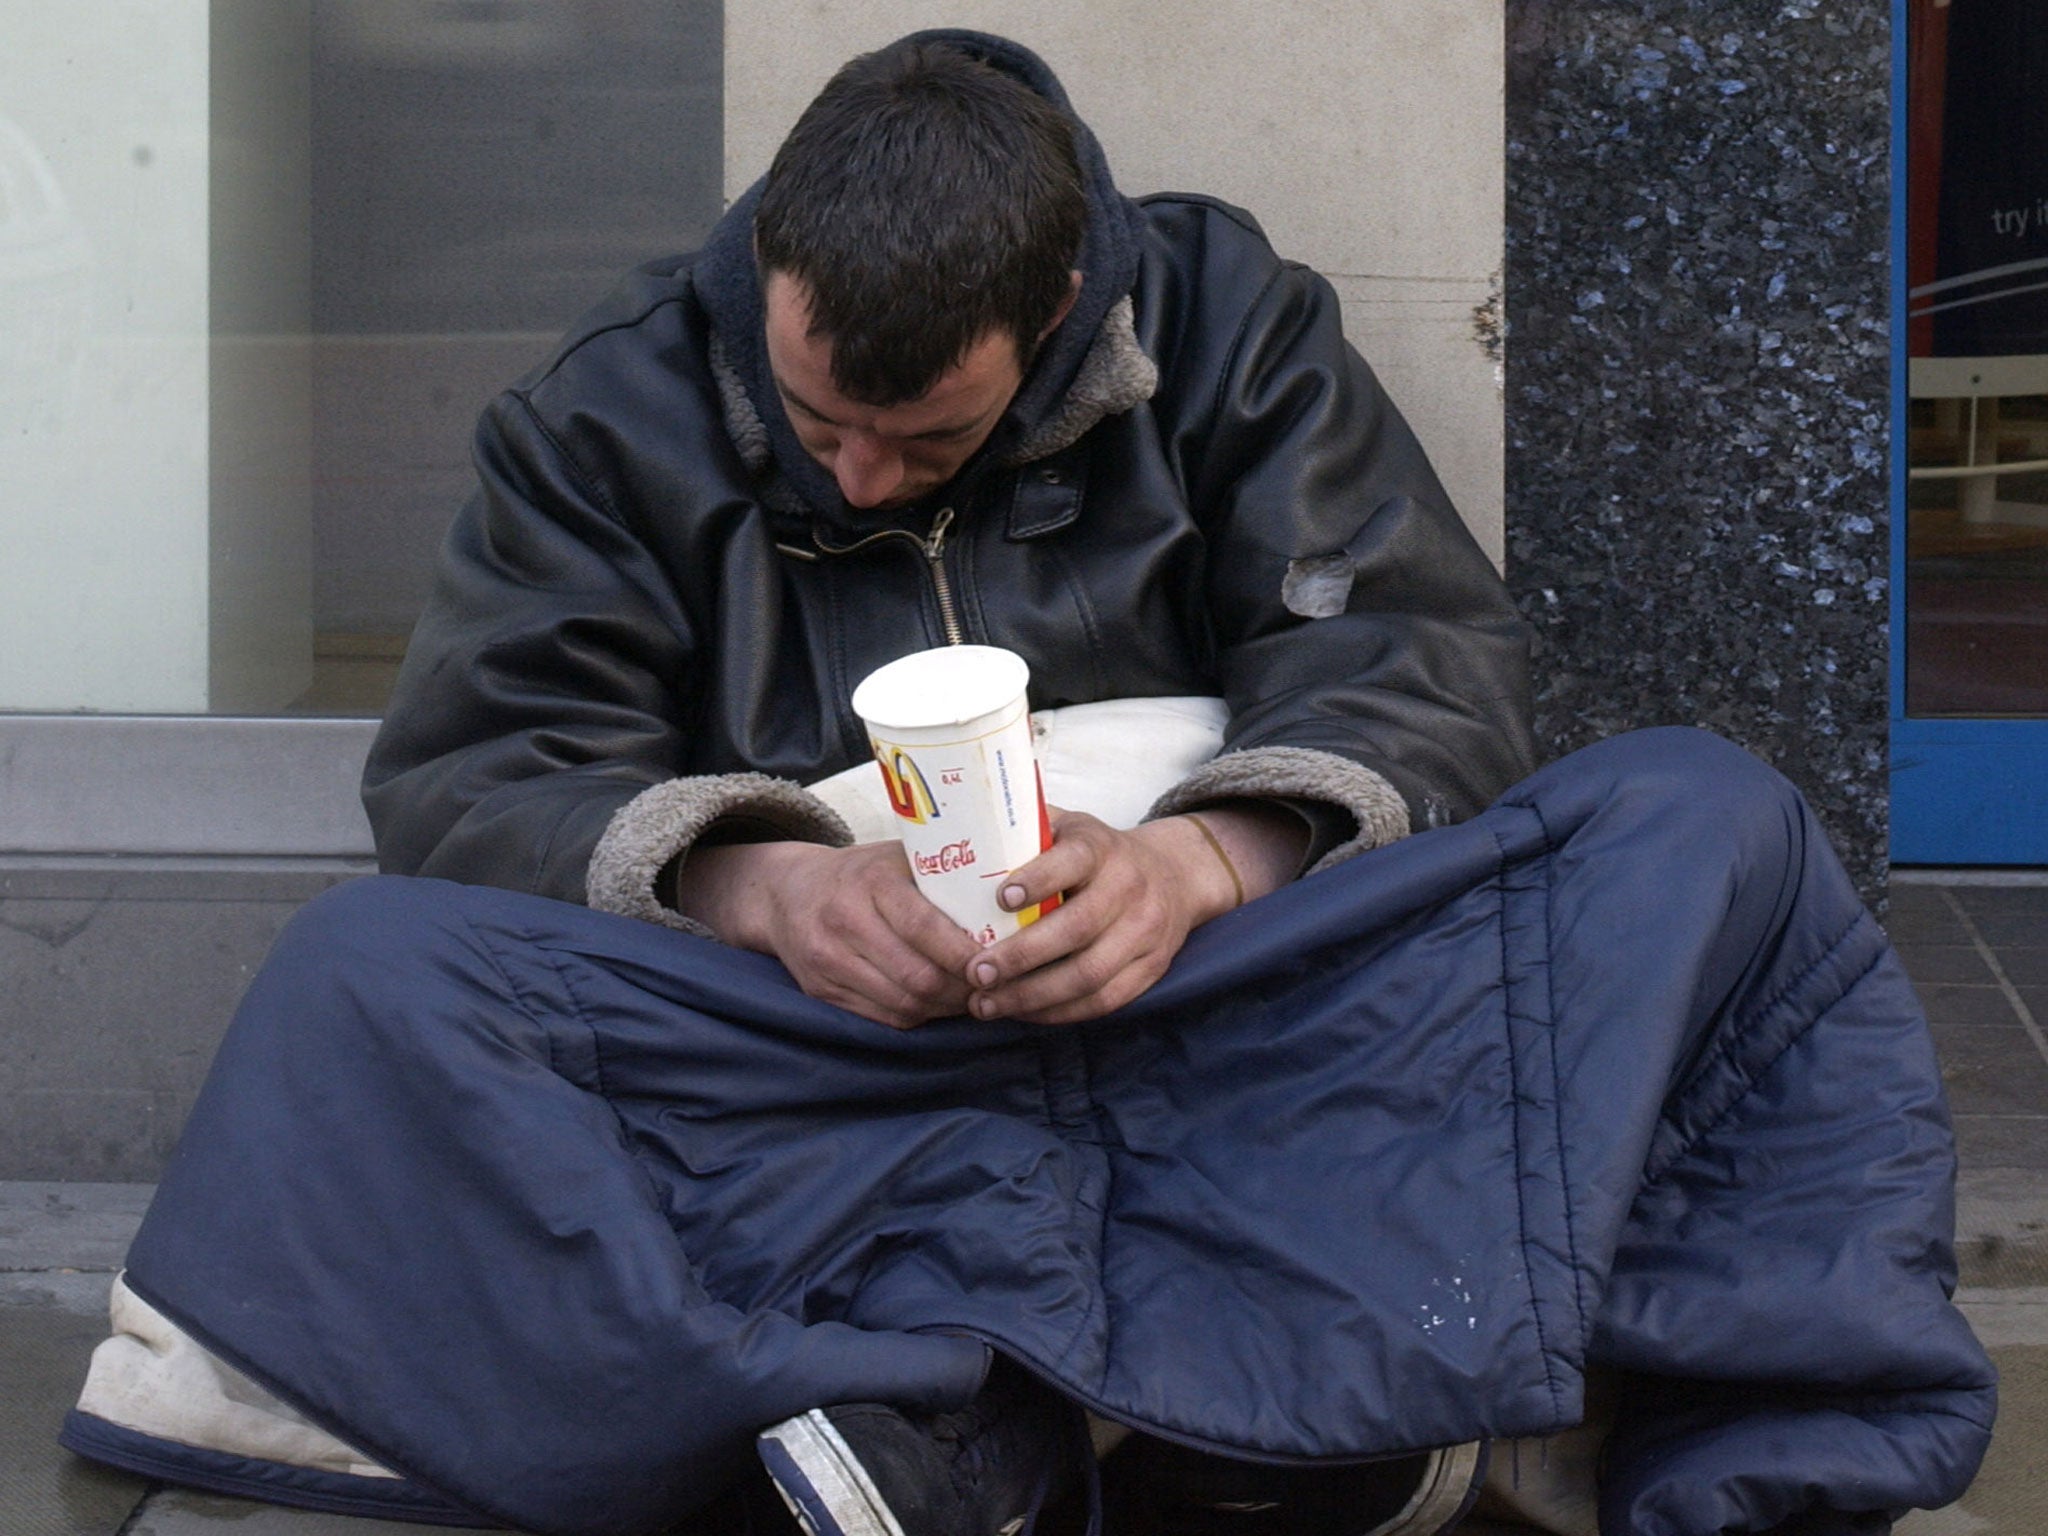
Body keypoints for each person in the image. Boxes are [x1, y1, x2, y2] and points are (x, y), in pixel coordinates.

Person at [65, 30, 1992, 1536]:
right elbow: (476, 771)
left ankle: (947, 1414)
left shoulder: (1231, 317)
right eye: (817, 423)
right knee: (365, 977)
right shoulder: (607, 407)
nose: (862, 480)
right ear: (772, 277)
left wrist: (1217, 863)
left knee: (1707, 820)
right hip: (820, 1042)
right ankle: (1241, 1403)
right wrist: (757, 880)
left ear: (1061, 296)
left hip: (1222, 1006)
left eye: (927, 435)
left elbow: (1425, 660)